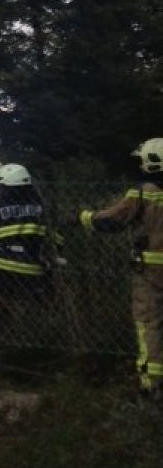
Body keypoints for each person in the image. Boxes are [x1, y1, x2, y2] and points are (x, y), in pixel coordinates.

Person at [79, 138, 163, 397]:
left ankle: (153, 386)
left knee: (149, 323)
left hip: (150, 272)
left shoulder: (143, 192)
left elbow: (113, 220)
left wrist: (84, 217)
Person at [0, 162, 52, 344]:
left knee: (2, 305)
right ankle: (36, 340)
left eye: (1, 187)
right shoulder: (41, 207)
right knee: (33, 306)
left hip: (3, 266)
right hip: (34, 267)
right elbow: (53, 237)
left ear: (9, 187)